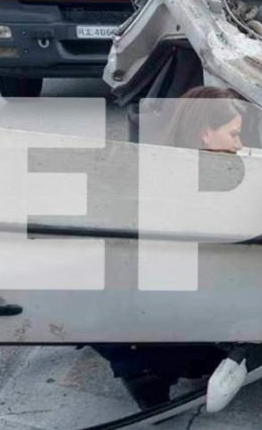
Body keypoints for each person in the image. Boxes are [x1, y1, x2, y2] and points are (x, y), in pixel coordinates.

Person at [95, 87, 245, 409]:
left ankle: (143, 370)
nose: (239, 144)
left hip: (124, 313)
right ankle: (149, 369)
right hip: (163, 320)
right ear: (206, 134)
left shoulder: (155, 162)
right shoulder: (206, 181)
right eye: (233, 135)